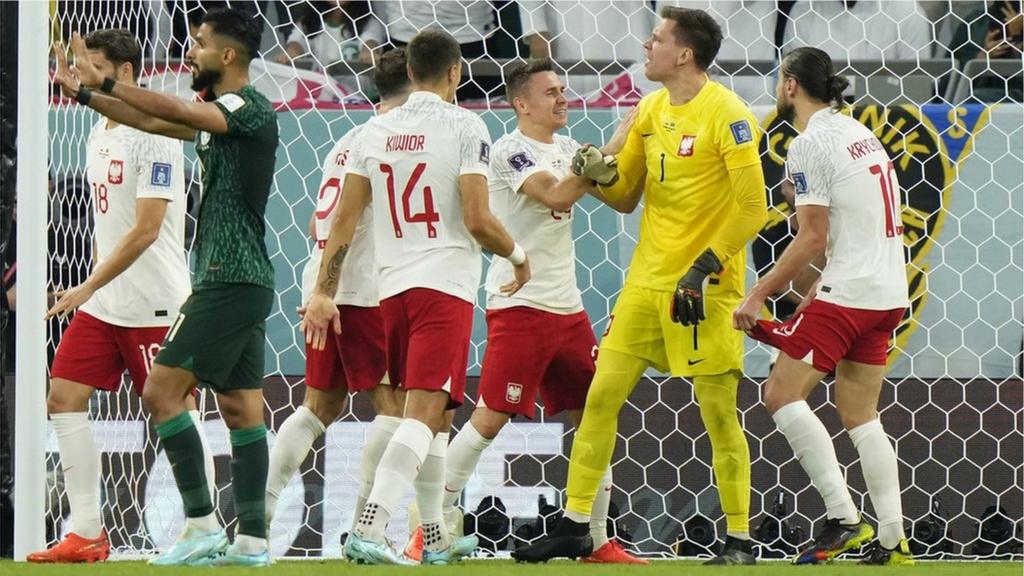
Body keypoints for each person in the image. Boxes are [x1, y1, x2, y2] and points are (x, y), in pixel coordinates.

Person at [513, 6, 767, 565]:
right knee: (600, 398)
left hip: (704, 287)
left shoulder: (729, 114)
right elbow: (625, 195)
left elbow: (755, 207)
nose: (645, 48)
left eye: (655, 40)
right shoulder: (650, 109)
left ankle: (741, 538)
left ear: (684, 54)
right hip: (645, 285)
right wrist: (594, 169)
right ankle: (578, 524)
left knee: (718, 413)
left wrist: (703, 268)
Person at [55, 8, 278, 566]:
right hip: (239, 276)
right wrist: (84, 96)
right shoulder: (218, 114)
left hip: (226, 278)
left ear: (228, 56)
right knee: (241, 408)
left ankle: (202, 526)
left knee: (160, 393)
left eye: (200, 44)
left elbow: (173, 110)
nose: (190, 54)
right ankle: (251, 541)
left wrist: (106, 81)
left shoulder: (246, 108)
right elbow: (156, 122)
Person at [302, 28, 530, 565]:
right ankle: (369, 527)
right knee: (423, 415)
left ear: (408, 72)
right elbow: (477, 219)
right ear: (456, 73)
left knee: (435, 416)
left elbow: (344, 222)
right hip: (442, 286)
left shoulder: (373, 131)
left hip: (391, 292)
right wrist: (518, 256)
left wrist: (323, 290)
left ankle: (433, 537)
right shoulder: (466, 124)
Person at [438, 58, 643, 564]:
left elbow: (619, 201)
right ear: (521, 103)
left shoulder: (572, 148)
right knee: (489, 420)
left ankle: (597, 540)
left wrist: (633, 151)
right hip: (520, 305)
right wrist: (613, 144)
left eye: (564, 89)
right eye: (550, 92)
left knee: (593, 419)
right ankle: (432, 527)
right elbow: (554, 192)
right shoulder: (509, 150)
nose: (562, 97)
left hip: (568, 309)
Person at [31, 29, 215, 564]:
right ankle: (87, 530)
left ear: (124, 70)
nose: (80, 73)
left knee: (176, 415)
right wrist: (93, 289)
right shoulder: (98, 130)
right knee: (62, 397)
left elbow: (148, 229)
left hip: (155, 302)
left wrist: (87, 283)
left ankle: (204, 528)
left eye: (89, 64)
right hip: (104, 303)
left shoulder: (154, 134)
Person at [733, 46, 913, 567]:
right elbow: (850, 227)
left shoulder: (808, 143)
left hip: (850, 293)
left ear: (790, 85)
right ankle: (893, 541)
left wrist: (759, 293)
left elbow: (810, 236)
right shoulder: (861, 133)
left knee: (781, 395)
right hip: (886, 293)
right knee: (860, 415)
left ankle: (843, 517)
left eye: (778, 79)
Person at [264, 48, 410, 535]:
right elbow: (342, 222)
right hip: (363, 290)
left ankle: (256, 517)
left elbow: (316, 221)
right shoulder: (395, 141)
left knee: (318, 406)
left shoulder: (349, 138)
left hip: (323, 282)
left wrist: (322, 288)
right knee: (394, 406)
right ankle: (366, 531)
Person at [274, 1, 382, 67]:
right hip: (323, 88)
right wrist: (291, 52)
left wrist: (369, 52)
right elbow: (297, 40)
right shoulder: (310, 19)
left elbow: (371, 39)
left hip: (359, 95)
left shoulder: (368, 21)